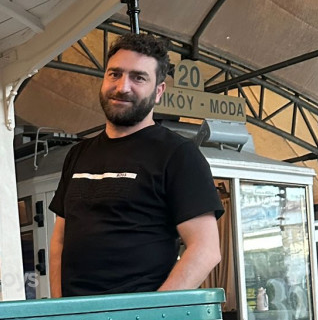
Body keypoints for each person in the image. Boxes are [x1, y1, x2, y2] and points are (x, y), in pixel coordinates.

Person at [48, 32, 222, 297]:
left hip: (137, 318)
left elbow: (205, 250)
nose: (122, 87)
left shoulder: (178, 154)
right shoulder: (78, 154)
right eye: (114, 74)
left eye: (138, 78)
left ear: (159, 91)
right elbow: (59, 241)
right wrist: (59, 309)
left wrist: (152, 314)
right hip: (77, 316)